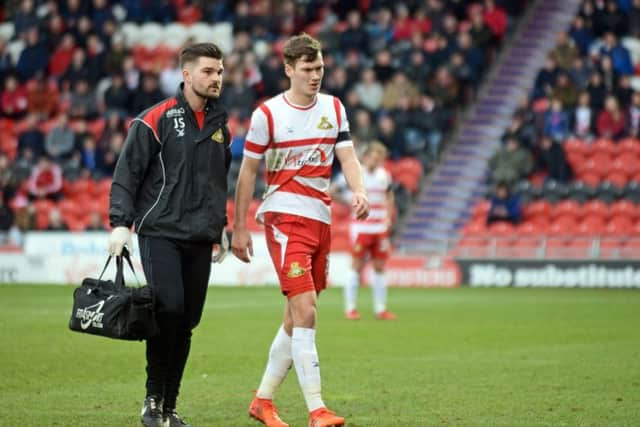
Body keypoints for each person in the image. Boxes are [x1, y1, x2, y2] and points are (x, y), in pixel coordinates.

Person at [231, 33, 369, 427]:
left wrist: (358, 189)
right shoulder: (268, 115)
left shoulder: (334, 107)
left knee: (295, 317)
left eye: (320, 68)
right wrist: (239, 228)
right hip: (283, 217)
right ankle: (317, 409)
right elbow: (247, 174)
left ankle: (262, 401)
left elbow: (348, 156)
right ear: (288, 69)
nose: (315, 76)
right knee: (306, 311)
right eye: (308, 69)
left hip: (320, 219)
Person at [108, 42, 231, 427]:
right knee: (170, 310)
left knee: (188, 320)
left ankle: (170, 408)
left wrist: (221, 226)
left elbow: (216, 182)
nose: (216, 78)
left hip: (200, 235)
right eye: (209, 71)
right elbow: (127, 174)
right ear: (186, 74)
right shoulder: (154, 118)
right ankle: (152, 400)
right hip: (159, 230)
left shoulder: (220, 127)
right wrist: (119, 224)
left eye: (221, 71)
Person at [332, 142, 396, 321]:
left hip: (379, 228)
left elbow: (389, 196)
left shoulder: (384, 175)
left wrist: (388, 217)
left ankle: (380, 309)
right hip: (361, 228)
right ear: (366, 156)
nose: (377, 161)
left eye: (380, 158)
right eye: (375, 157)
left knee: (380, 267)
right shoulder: (355, 173)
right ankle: (350, 308)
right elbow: (332, 191)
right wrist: (348, 200)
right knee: (356, 266)